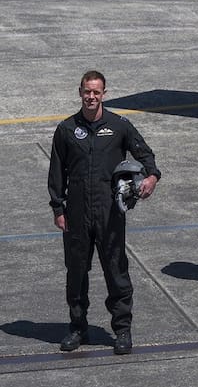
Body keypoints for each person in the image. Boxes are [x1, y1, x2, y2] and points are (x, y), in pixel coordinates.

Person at [48, 70, 160, 355]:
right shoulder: (66, 129)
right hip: (76, 212)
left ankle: (122, 329)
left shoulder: (119, 126)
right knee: (76, 272)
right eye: (87, 91)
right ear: (80, 92)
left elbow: (145, 154)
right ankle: (78, 328)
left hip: (110, 212)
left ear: (104, 94)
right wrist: (58, 208)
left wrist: (151, 177)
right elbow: (56, 173)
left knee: (116, 270)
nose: (91, 96)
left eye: (96, 92)